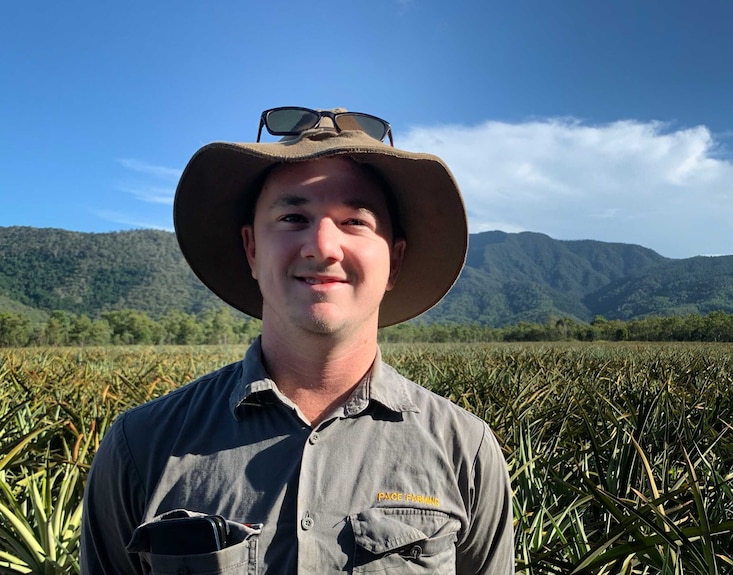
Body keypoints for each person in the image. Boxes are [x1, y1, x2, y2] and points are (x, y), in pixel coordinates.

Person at [80, 107, 515, 574]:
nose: (322, 246)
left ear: (395, 258)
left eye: (355, 222)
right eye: (292, 217)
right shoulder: (142, 445)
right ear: (251, 248)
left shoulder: (463, 449)